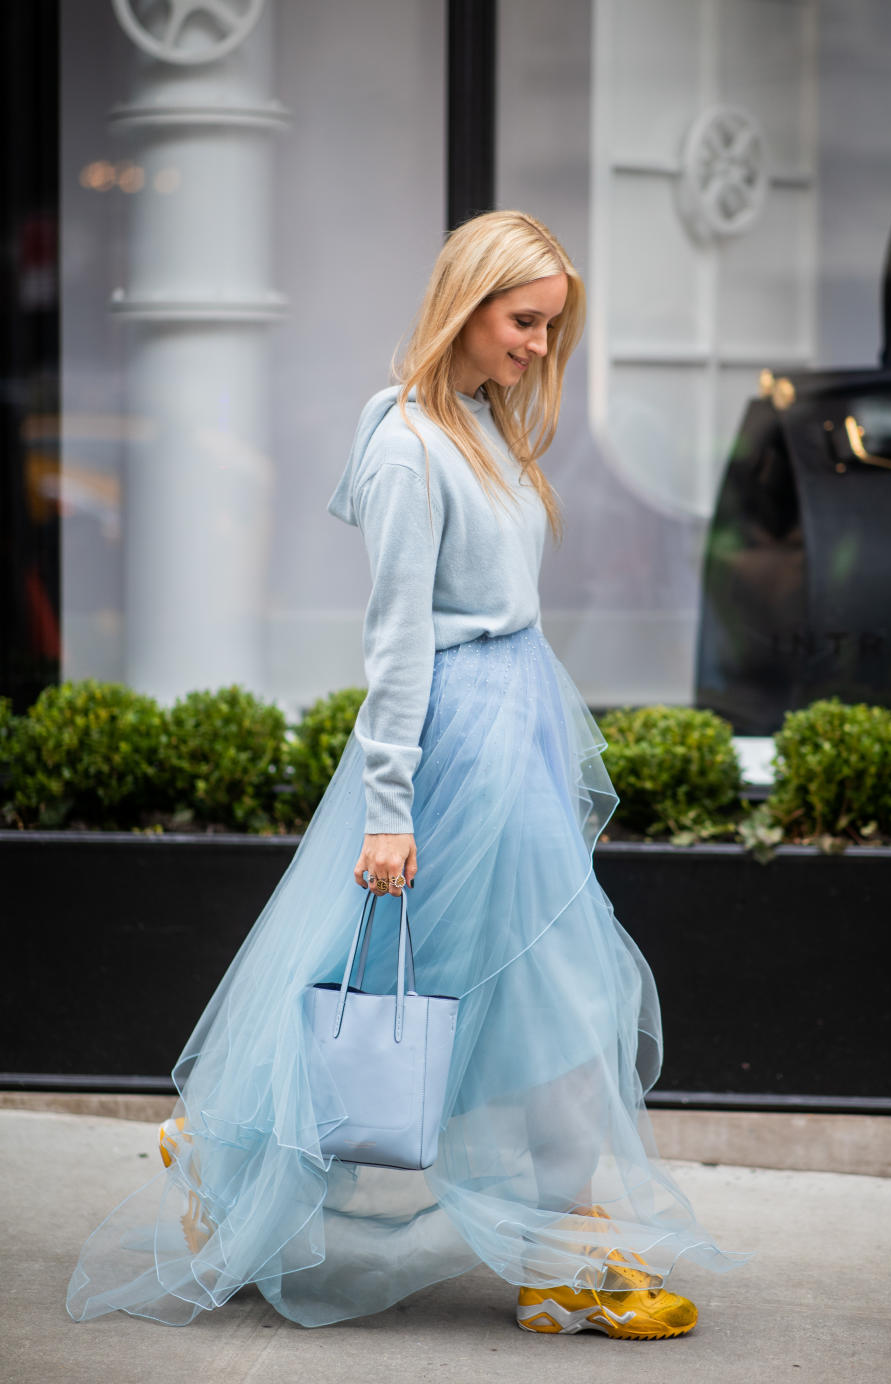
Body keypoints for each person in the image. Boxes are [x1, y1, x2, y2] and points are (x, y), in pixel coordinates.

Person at [66, 210, 750, 1338]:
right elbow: (395, 645)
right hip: (458, 743)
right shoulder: (406, 444)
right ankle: (559, 1249)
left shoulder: (481, 425)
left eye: (549, 327)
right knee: (544, 995)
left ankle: (241, 1138)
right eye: (524, 320)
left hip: (513, 731)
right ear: (467, 306)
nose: (538, 344)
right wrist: (389, 809)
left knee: (520, 992)